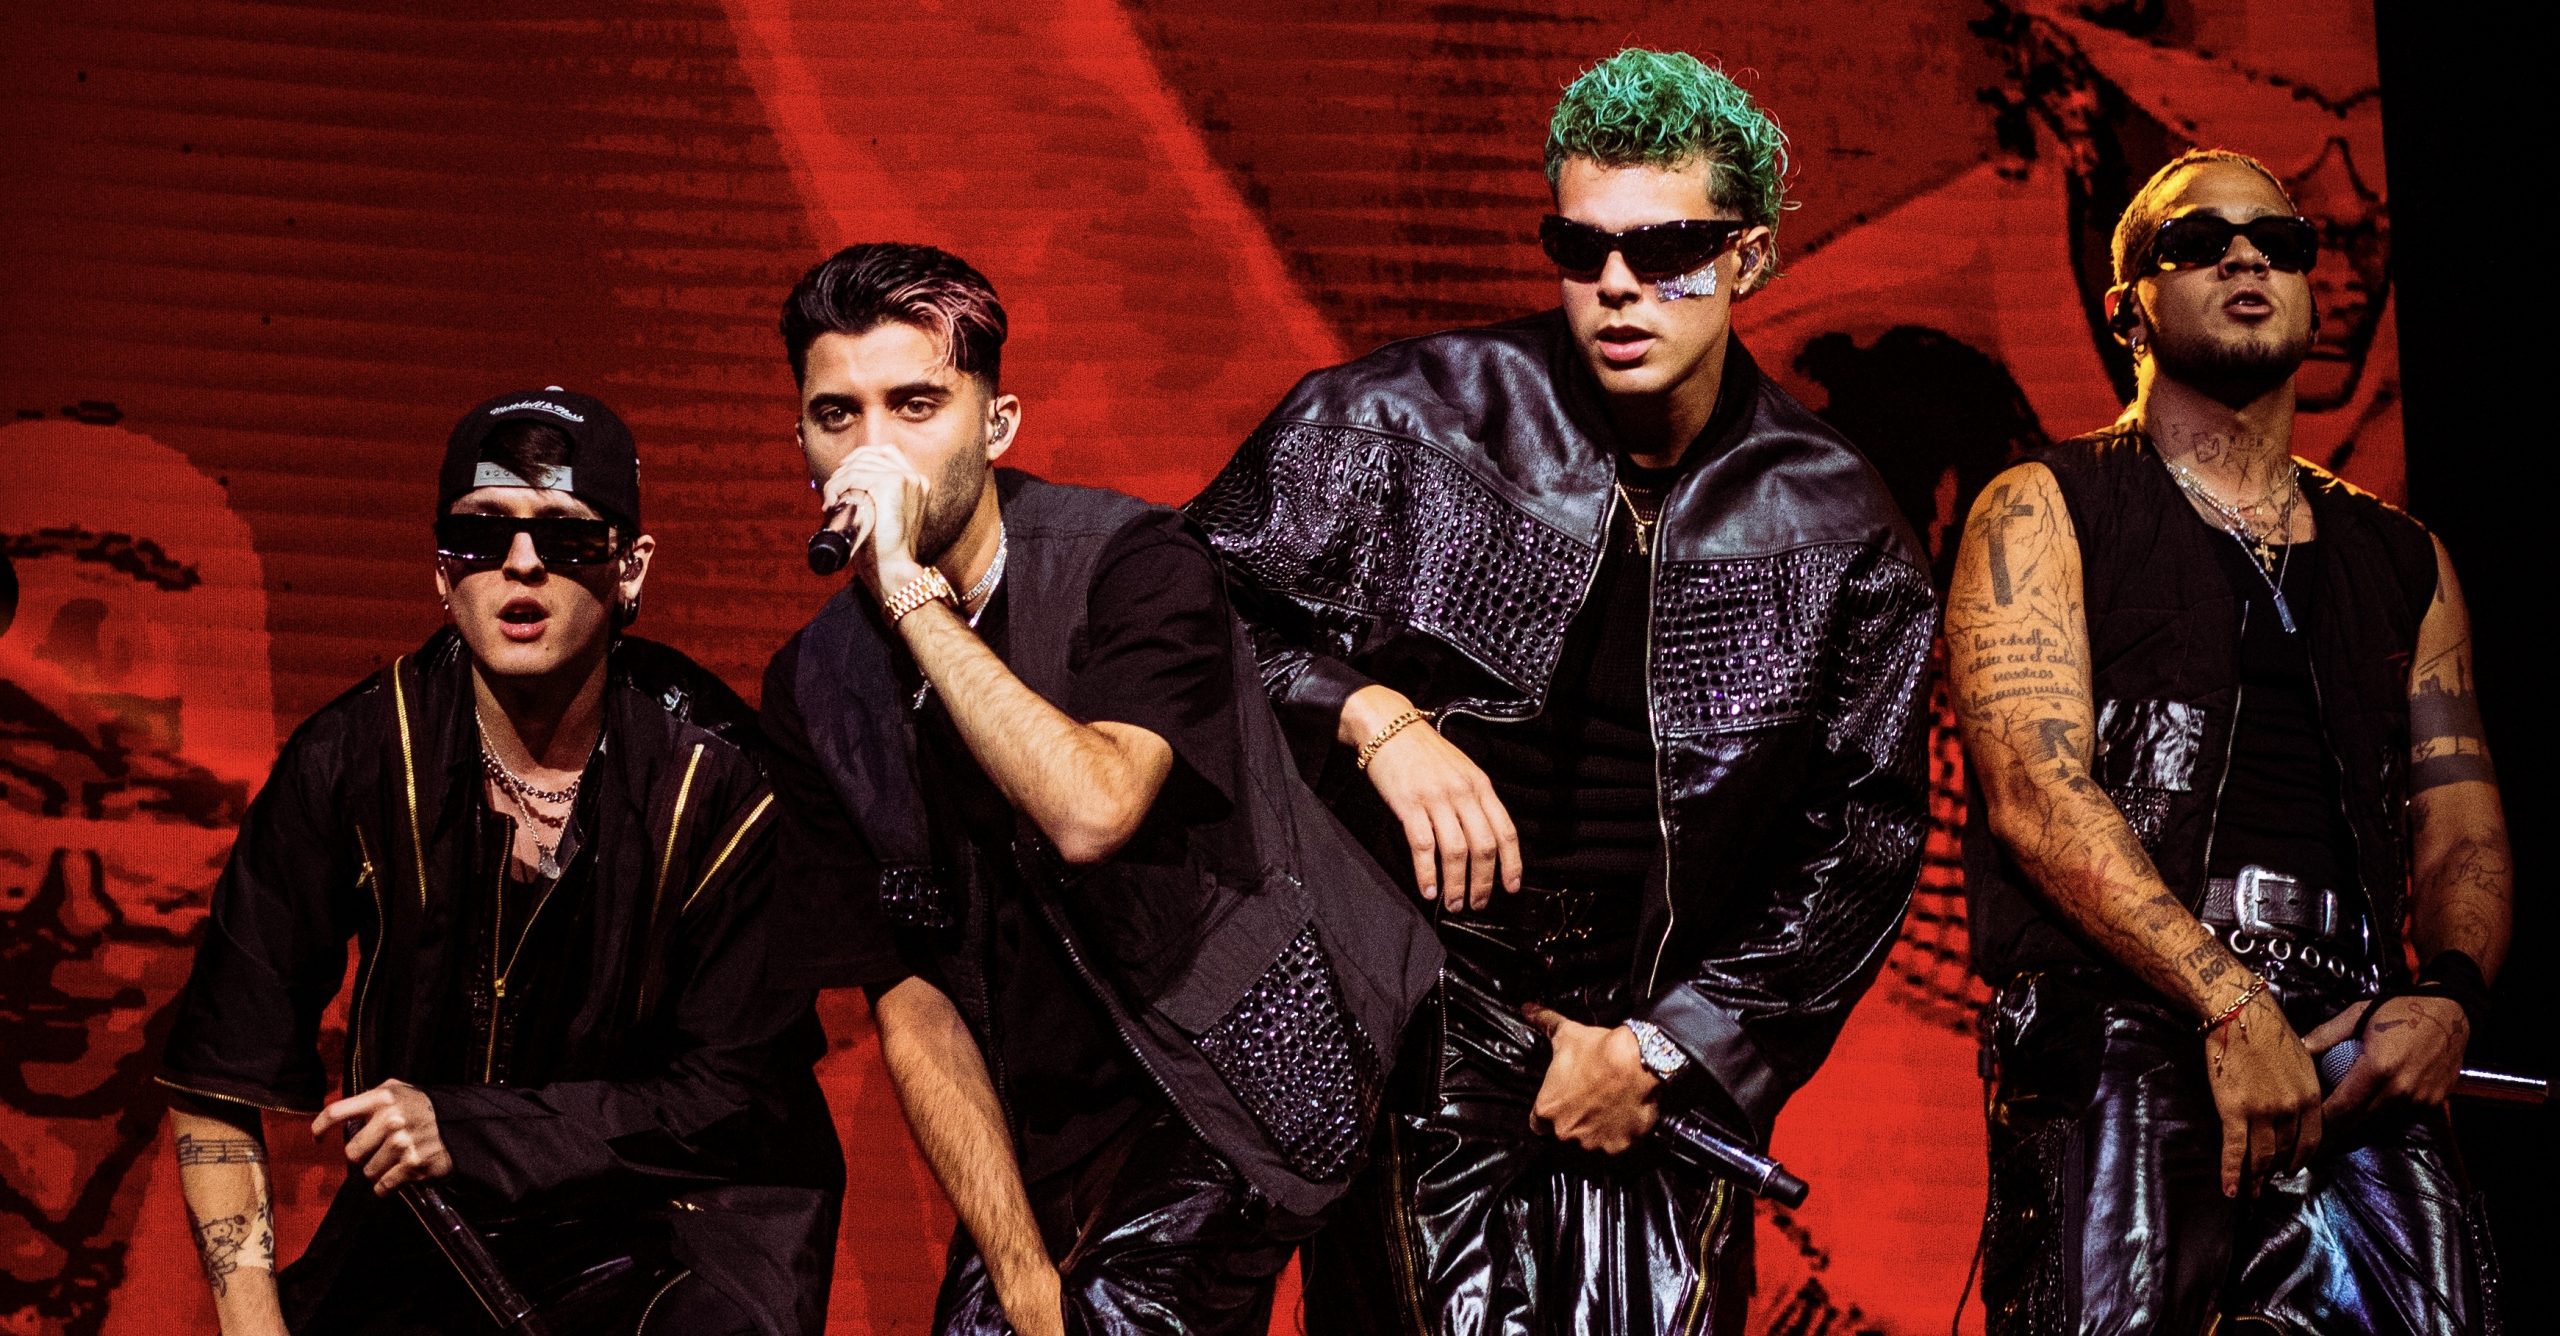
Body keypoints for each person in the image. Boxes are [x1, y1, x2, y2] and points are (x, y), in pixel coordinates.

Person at [1188, 49, 1938, 1334]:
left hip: (1649, 1072)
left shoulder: (1837, 523)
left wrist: (1668, 1047)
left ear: (1750, 258)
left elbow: (1860, 839)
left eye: (1668, 250)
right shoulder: (1396, 424)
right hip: (1413, 1029)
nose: (1618, 285)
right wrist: (1370, 717)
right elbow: (1173, 627)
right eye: (1581, 247)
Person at [757, 243, 1438, 1336]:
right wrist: (1015, 1265)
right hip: (1052, 1128)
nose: (872, 449)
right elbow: (910, 999)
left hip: (1247, 1069)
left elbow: (1091, 809)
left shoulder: (1135, 562)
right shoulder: (813, 687)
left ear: (997, 424)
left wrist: (910, 598)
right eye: (838, 415)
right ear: (801, 441)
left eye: (916, 405)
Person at [1951, 148, 2509, 1332]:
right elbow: (2034, 791)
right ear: (2126, 311)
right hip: (2125, 1013)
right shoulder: (2043, 504)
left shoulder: (2402, 557)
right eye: (2199, 243)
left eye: (2278, 242)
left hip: (2351, 1030)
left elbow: (2459, 819)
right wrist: (2227, 1001)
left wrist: (2448, 997)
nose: (2246, 258)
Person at [156, 390, 842, 1334]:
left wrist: (470, 1129)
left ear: (631, 568)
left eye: (568, 538)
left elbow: (732, 1102)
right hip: (433, 1234)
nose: (521, 564)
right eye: (480, 535)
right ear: (442, 572)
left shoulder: (721, 778)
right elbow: (218, 1071)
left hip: (676, 1234)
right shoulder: (352, 757)